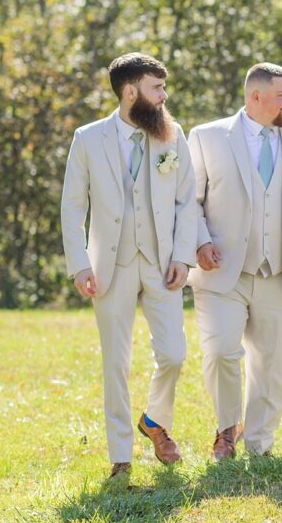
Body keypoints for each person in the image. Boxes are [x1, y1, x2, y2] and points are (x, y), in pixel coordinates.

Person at [61, 52, 196, 480]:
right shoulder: (88, 138)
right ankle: (121, 456)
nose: (165, 96)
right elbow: (72, 206)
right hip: (109, 267)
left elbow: (186, 202)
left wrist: (182, 256)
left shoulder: (173, 136)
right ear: (131, 91)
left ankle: (154, 420)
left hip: (162, 265)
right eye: (157, 88)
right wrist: (80, 264)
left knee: (174, 354)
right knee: (115, 362)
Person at [187, 62, 282, 460]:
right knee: (221, 353)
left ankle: (260, 442)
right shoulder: (208, 137)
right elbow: (190, 201)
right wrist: (200, 243)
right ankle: (227, 429)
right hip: (221, 269)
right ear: (255, 97)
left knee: (273, 361)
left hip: (281, 271)